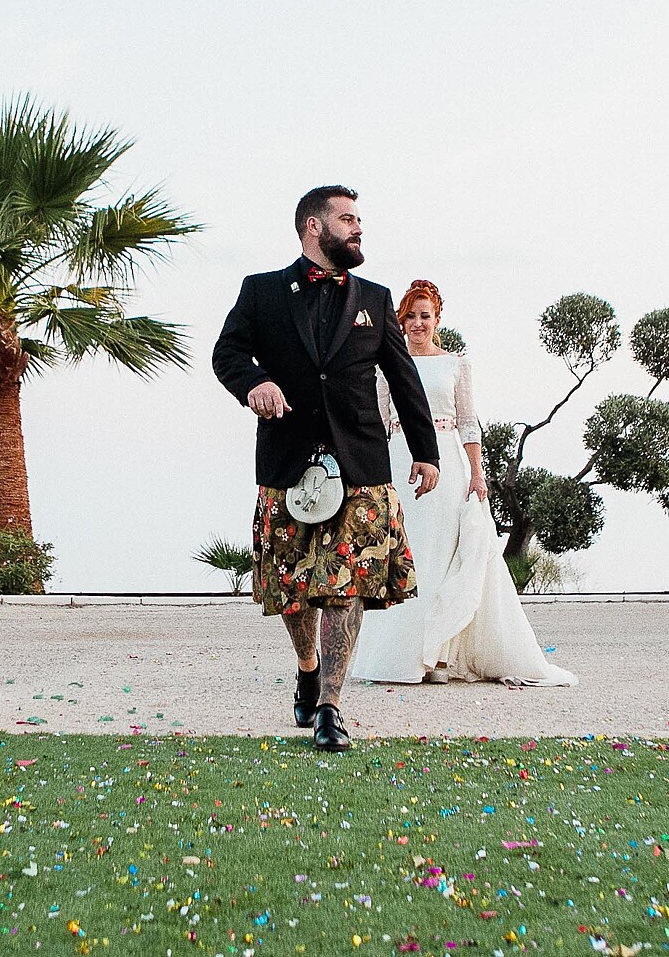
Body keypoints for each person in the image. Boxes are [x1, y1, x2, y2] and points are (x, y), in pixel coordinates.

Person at [212, 185, 442, 752]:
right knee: (292, 590)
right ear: (314, 227)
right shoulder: (261, 292)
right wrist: (255, 384)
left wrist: (425, 451)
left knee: (346, 588)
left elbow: (403, 378)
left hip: (361, 462)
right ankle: (308, 665)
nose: (358, 227)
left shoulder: (376, 297)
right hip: (288, 462)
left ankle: (331, 706)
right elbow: (227, 354)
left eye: (359, 217)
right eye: (347, 218)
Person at [351, 279, 577, 687]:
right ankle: (403, 655)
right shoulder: (388, 366)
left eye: (426, 316)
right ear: (400, 321)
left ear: (437, 320)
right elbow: (380, 421)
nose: (418, 324)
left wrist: (477, 472)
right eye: (411, 317)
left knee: (444, 553)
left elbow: (469, 422)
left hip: (449, 462)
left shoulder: (456, 364)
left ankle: (438, 654)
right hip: (401, 459)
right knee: (409, 553)